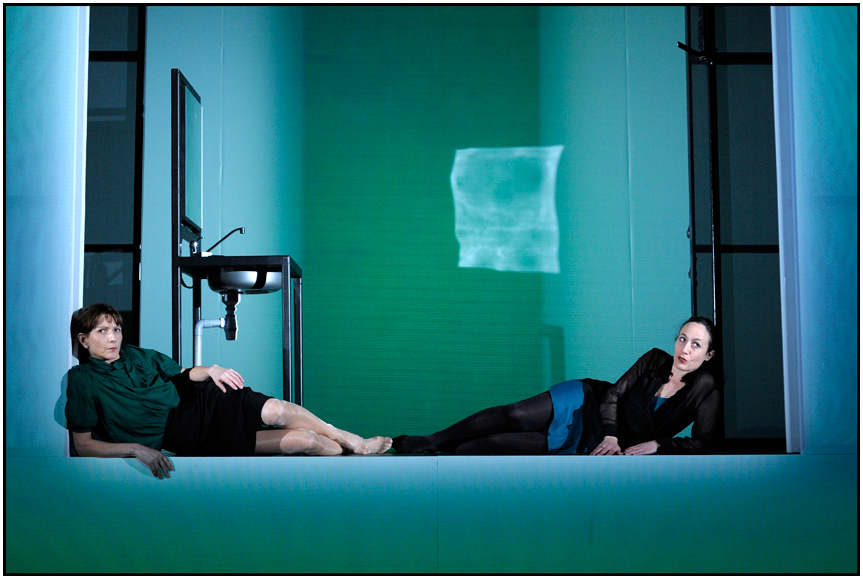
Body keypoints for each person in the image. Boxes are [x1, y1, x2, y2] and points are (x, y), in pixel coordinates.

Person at [66, 304, 392, 478]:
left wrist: (210, 369)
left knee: (278, 410)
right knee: (306, 441)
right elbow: (83, 445)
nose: (113, 337)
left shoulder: (136, 355)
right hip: (188, 435)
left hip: (201, 399)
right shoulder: (82, 379)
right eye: (102, 331)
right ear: (83, 339)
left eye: (116, 329)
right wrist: (135, 449)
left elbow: (182, 374)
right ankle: (347, 450)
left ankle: (351, 440)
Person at [392, 317, 722, 455]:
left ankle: (439, 455)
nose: (685, 349)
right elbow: (613, 395)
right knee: (515, 414)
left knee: (496, 443)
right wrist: (611, 434)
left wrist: (657, 445)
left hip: (593, 441)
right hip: (588, 400)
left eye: (696, 344)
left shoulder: (706, 388)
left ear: (709, 354)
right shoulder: (654, 359)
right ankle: (430, 440)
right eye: (682, 339)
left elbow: (704, 442)